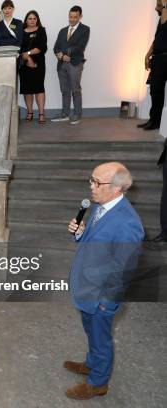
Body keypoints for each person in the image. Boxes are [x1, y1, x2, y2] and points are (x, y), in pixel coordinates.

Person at [65, 162, 144, 400]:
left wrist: (106, 303)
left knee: (101, 338)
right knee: (91, 332)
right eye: (91, 179)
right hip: (88, 288)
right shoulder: (103, 206)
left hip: (101, 297)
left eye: (97, 182)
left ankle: (98, 383)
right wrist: (80, 233)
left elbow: (123, 270)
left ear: (117, 188)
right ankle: (91, 364)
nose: (91, 185)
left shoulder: (128, 224)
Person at [52, 5, 90, 125]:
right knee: (64, 90)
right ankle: (65, 114)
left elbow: (80, 47)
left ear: (80, 16)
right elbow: (56, 47)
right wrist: (61, 55)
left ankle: (77, 115)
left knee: (75, 90)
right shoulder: (63, 30)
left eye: (75, 17)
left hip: (75, 63)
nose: (72, 19)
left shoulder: (85, 29)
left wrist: (67, 53)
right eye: (71, 16)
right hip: (61, 64)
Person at [139, 1, 167, 131]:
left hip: (164, 58)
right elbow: (156, 40)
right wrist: (147, 55)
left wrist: (165, 4)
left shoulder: (165, 19)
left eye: (158, 2)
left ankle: (156, 122)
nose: (157, 4)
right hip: (157, 58)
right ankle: (153, 120)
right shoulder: (160, 21)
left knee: (157, 91)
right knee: (155, 91)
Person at [19, 10, 47, 124]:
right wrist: (28, 59)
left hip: (38, 64)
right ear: (26, 20)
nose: (32, 20)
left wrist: (29, 54)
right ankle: (29, 112)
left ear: (37, 20)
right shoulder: (21, 32)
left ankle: (41, 114)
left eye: (34, 18)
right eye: (30, 18)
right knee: (27, 89)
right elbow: (19, 48)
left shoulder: (41, 30)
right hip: (24, 64)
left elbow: (42, 47)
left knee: (39, 88)